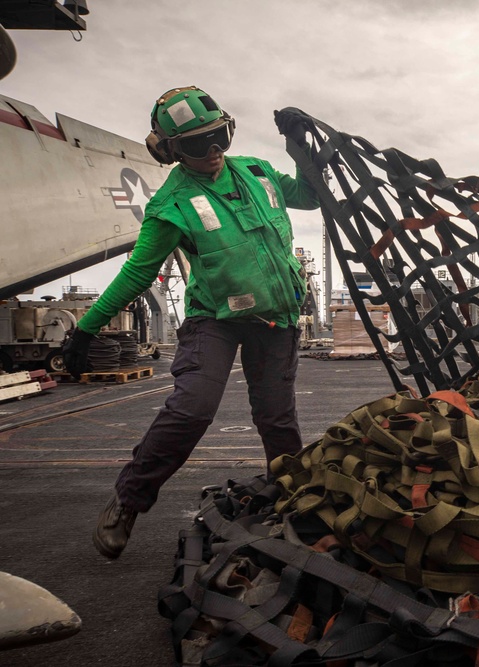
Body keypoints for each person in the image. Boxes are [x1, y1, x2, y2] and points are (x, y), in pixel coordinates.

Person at [61, 87, 321, 558]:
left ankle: (291, 507)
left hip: (276, 319)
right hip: (214, 320)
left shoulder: (258, 172)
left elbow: (308, 194)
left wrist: (299, 148)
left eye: (218, 136)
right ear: (172, 151)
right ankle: (128, 500)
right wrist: (87, 327)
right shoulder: (171, 206)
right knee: (192, 409)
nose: (214, 151)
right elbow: (138, 272)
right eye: (199, 145)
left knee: (278, 420)